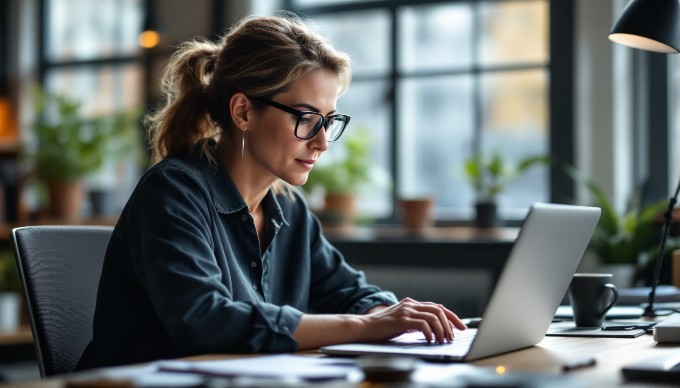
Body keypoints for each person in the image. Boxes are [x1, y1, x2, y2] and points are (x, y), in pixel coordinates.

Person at [76, 13, 466, 370]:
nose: (322, 143)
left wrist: (397, 317)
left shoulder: (289, 209)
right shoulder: (174, 192)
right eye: (307, 119)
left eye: (329, 121)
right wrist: (364, 326)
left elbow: (351, 293)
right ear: (243, 111)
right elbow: (206, 322)